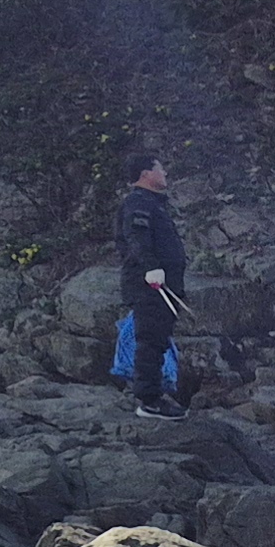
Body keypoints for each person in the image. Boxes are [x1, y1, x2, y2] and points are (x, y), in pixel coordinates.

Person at [119, 151, 189, 420]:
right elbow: (136, 237)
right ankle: (149, 402)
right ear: (146, 173)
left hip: (163, 286)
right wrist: (151, 268)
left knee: (157, 340)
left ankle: (154, 395)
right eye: (160, 168)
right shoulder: (139, 203)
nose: (165, 173)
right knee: (150, 341)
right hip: (150, 287)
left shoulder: (151, 203)